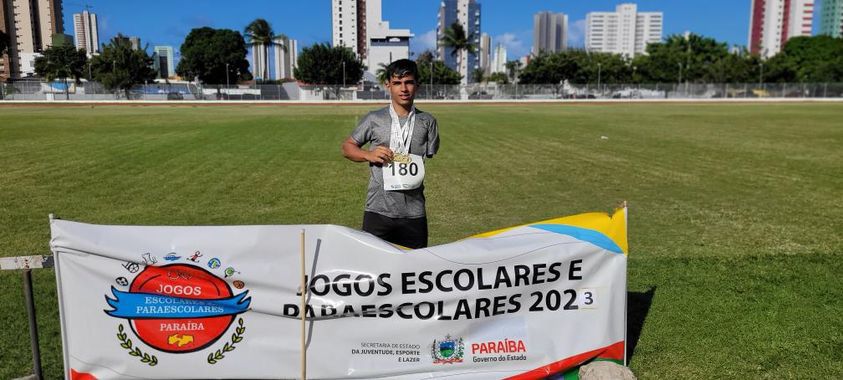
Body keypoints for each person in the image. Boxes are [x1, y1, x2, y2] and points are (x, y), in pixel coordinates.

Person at [341, 59, 440, 249]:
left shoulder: (428, 122)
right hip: (377, 211)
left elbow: (429, 154)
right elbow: (347, 147)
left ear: (417, 85)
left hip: (414, 212)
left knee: (414, 271)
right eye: (397, 83)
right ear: (388, 85)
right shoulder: (374, 119)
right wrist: (367, 154)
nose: (403, 88)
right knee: (373, 269)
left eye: (409, 82)